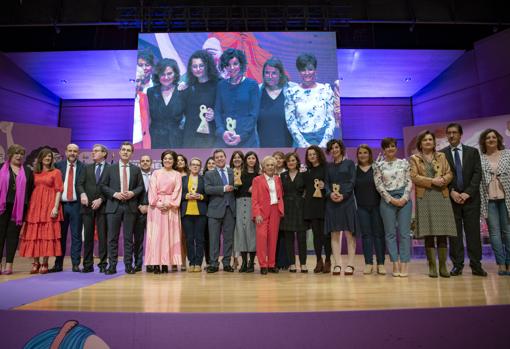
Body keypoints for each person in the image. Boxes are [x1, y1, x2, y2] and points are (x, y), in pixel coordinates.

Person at [440, 123, 487, 276]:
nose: (451, 135)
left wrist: (467, 193)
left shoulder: (472, 152)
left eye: (454, 132)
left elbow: (477, 174)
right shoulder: (441, 154)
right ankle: (457, 265)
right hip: (451, 199)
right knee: (455, 235)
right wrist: (452, 191)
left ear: (461, 134)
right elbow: (441, 176)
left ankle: (476, 264)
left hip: (471, 199)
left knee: (473, 232)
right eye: (449, 133)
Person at [410, 131, 457, 278]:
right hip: (425, 197)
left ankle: (443, 266)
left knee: (442, 233)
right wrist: (432, 181)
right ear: (420, 143)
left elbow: (450, 173)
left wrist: (443, 180)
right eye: (425, 140)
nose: (428, 142)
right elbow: (414, 176)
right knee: (428, 232)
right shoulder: (415, 158)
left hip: (441, 196)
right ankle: (432, 267)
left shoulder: (441, 156)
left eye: (430, 139)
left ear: (434, 142)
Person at [100, 142, 144, 275]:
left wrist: (132, 193)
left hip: (130, 207)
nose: (125, 152)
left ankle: (128, 265)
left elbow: (140, 187)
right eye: (123, 150)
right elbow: (103, 185)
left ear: (132, 153)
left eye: (128, 150)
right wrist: (115, 194)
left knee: (128, 238)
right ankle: (112, 266)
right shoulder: (110, 168)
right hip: (114, 206)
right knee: (112, 238)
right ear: (119, 152)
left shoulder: (136, 169)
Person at [19, 148, 63, 274]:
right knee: (35, 234)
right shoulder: (34, 173)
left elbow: (59, 190)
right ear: (40, 158)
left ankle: (45, 262)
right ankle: (35, 262)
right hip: (35, 206)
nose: (48, 158)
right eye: (45, 156)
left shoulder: (56, 172)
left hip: (49, 205)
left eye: (50, 156)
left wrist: (55, 207)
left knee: (47, 234)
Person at [373, 138, 413, 277]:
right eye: (387, 147)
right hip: (387, 200)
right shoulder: (379, 165)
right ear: (383, 150)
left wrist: (404, 198)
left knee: (404, 234)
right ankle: (395, 263)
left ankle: (405, 263)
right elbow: (378, 185)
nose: (390, 149)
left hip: (404, 199)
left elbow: (409, 181)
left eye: (393, 146)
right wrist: (391, 200)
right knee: (390, 234)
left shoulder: (404, 163)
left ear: (396, 148)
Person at [284, 53, 335, 148]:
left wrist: (324, 144)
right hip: (301, 140)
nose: (307, 73)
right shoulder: (291, 92)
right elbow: (290, 122)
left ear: (315, 70)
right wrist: (304, 145)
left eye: (310, 69)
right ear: (299, 71)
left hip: (323, 138)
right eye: (303, 70)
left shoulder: (325, 89)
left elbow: (331, 119)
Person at [324, 139, 359, 276]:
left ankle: (350, 264)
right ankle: (337, 264)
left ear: (341, 149)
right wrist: (330, 194)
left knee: (349, 233)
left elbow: (352, 181)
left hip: (347, 201)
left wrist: (343, 195)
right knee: (334, 233)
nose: (334, 150)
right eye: (332, 148)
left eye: (336, 147)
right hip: (332, 202)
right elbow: (326, 183)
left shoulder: (349, 164)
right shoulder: (328, 166)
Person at [145, 150, 182, 274]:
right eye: (165, 158)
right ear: (162, 160)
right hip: (156, 207)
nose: (167, 160)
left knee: (169, 235)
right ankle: (156, 263)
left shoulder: (177, 174)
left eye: (170, 158)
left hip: (171, 208)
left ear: (174, 161)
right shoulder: (156, 173)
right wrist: (158, 203)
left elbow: (177, 191)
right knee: (156, 235)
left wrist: (170, 203)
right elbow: (152, 190)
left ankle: (166, 264)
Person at [479, 129, 510, 275]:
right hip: (489, 199)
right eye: (488, 138)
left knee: (508, 232)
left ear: (498, 139)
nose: (491, 139)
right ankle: (501, 264)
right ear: (484, 141)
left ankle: (509, 261)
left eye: (493, 137)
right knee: (495, 234)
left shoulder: (508, 154)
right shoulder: (480, 158)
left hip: (506, 199)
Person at [214, 48, 261, 147]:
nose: (231, 68)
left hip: (247, 140)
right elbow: (217, 111)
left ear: (241, 64)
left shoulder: (252, 85)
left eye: (235, 64)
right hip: (225, 139)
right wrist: (222, 132)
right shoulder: (221, 85)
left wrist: (242, 136)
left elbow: (254, 114)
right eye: (228, 65)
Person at [0, 145, 34, 275]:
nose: (19, 156)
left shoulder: (27, 171)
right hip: (2, 208)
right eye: (16, 153)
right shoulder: (1, 168)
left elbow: (30, 191)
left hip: (19, 209)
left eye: (21, 154)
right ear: (10, 154)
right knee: (0, 235)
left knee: (13, 236)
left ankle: (9, 265)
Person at [76, 144, 109, 273]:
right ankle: (88, 265)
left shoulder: (110, 168)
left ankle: (103, 264)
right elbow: (79, 184)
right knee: (88, 236)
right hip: (87, 207)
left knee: (102, 236)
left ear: (104, 153)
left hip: (103, 207)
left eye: (96, 151)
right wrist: (83, 194)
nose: (93, 153)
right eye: (93, 151)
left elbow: (112, 187)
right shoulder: (86, 168)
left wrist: (101, 199)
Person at [51, 144, 84, 273]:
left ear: (78, 153)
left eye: (75, 151)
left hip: (76, 206)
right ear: (65, 152)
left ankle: (75, 264)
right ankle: (58, 264)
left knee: (76, 236)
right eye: (70, 151)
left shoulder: (83, 167)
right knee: (60, 236)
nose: (72, 153)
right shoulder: (58, 166)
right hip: (61, 206)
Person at [354, 145, 386, 275]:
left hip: (377, 206)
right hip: (361, 207)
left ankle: (381, 263)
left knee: (379, 235)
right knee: (366, 235)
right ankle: (368, 263)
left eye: (365, 153)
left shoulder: (376, 168)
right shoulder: (354, 170)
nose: (362, 155)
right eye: (360, 153)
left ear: (370, 154)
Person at [204, 149, 236, 273]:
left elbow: (237, 186)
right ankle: (213, 263)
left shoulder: (232, 172)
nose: (219, 159)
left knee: (228, 239)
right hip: (214, 210)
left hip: (230, 210)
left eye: (221, 156)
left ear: (225, 157)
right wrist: (223, 188)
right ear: (214, 159)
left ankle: (227, 263)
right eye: (217, 157)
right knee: (214, 239)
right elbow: (207, 189)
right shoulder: (209, 174)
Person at [252, 156, 284, 274]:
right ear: (263, 167)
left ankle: (271, 264)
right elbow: (254, 199)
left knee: (273, 239)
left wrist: (281, 209)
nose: (270, 167)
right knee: (261, 238)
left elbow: (281, 194)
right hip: (262, 212)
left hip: (275, 210)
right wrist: (257, 214)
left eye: (272, 165)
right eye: (268, 165)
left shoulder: (277, 179)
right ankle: (263, 265)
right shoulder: (257, 180)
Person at [182, 50, 218, 148]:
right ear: (190, 68)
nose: (198, 69)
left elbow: (224, 109)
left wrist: (215, 115)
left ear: (207, 66)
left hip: (210, 137)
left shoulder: (218, 85)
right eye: (194, 66)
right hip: (190, 137)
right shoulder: (187, 87)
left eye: (201, 65)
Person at [303, 145, 331, 273]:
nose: (312, 156)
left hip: (324, 205)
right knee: (316, 235)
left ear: (319, 154)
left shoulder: (327, 168)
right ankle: (318, 260)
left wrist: (325, 185)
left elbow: (330, 184)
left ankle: (328, 261)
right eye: (309, 155)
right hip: (312, 206)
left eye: (314, 154)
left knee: (326, 235)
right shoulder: (307, 171)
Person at [147, 58, 185, 149]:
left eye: (169, 74)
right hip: (155, 141)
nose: (166, 77)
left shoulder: (182, 91)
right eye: (162, 74)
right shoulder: (150, 92)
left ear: (175, 74)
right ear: (157, 75)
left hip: (177, 141)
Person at [280, 152, 308, 273]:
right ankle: (292, 263)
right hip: (286, 208)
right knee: (289, 238)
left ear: (297, 161)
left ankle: (303, 263)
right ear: (286, 163)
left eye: (293, 160)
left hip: (300, 207)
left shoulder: (304, 174)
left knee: (302, 238)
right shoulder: (283, 175)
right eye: (289, 161)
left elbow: (307, 190)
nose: (291, 162)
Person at [257, 58, 293, 147]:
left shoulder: (291, 91)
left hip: (286, 145)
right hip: (262, 146)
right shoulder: (257, 91)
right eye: (267, 73)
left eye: (274, 73)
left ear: (280, 74)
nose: (270, 76)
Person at [234, 151, 259, 273]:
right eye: (249, 158)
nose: (251, 160)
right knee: (241, 232)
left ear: (256, 160)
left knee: (252, 232)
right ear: (246, 160)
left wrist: (255, 190)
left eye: (253, 158)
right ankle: (243, 261)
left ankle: (251, 262)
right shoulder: (240, 173)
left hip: (252, 204)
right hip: (239, 203)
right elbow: (234, 190)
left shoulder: (259, 175)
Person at [181, 157, 207, 272]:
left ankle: (198, 263)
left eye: (197, 164)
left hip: (200, 213)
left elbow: (209, 195)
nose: (195, 166)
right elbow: (177, 194)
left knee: (200, 239)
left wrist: (201, 196)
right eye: (193, 164)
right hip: (187, 213)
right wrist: (186, 196)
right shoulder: (183, 179)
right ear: (190, 166)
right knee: (189, 239)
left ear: (200, 167)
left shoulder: (204, 179)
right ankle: (191, 262)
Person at [134, 155, 152, 272]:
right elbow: (131, 191)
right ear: (139, 163)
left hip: (154, 211)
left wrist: (150, 206)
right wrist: (139, 206)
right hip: (137, 211)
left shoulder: (157, 176)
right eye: (142, 161)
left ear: (151, 163)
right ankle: (138, 263)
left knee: (152, 239)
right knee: (138, 239)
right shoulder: (135, 175)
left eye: (147, 161)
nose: (145, 163)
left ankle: (151, 263)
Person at [230, 150, 245, 269]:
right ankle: (234, 259)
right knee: (233, 233)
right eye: (235, 157)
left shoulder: (246, 173)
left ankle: (246, 259)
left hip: (244, 205)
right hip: (230, 205)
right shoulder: (228, 172)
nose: (237, 159)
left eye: (239, 157)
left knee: (245, 232)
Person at [202, 156, 216, 267]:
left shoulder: (220, 178)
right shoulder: (202, 178)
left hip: (217, 210)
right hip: (204, 211)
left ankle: (214, 260)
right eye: (209, 163)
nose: (211, 165)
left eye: (213, 163)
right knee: (207, 237)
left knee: (215, 238)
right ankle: (208, 261)